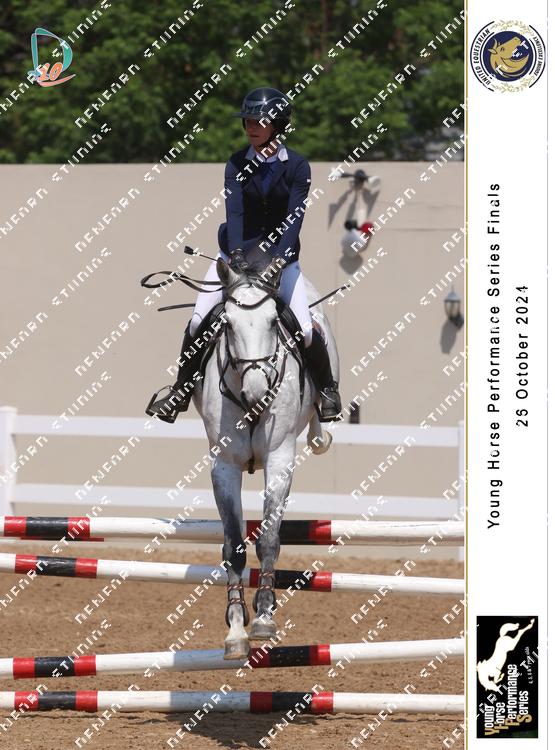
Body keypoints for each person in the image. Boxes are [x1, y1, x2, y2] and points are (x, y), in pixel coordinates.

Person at [146, 86, 342, 424]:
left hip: (281, 260)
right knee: (198, 321)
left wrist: (279, 259)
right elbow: (234, 212)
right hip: (234, 257)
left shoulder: (297, 166)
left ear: (277, 125)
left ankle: (326, 392)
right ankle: (179, 391)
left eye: (259, 121)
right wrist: (235, 254)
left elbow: (294, 217)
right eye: (248, 121)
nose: (251, 127)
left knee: (306, 329)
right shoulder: (236, 163)